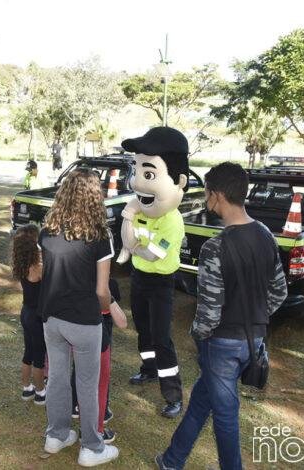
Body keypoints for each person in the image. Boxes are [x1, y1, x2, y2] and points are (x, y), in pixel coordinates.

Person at [156, 162, 287, 470]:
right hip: (254, 341)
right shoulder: (266, 235)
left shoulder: (215, 247)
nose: (206, 199)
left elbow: (209, 312)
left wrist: (199, 336)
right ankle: (172, 460)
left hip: (222, 346)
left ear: (216, 195)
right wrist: (253, 318)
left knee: (225, 417)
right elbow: (279, 292)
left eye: (206, 193)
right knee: (202, 402)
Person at [38, 168, 119, 467]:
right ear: (95, 195)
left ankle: (56, 435)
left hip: (52, 318)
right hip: (84, 320)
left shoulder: (46, 231)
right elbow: (102, 291)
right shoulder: (100, 235)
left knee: (58, 378)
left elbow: (43, 273)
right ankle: (91, 448)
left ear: (64, 192)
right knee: (87, 383)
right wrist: (110, 308)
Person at [117, 127, 190, 419]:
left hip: (161, 283)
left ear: (179, 181)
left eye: (148, 174)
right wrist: (128, 216)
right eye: (137, 172)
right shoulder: (140, 210)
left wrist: (132, 246)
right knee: (143, 330)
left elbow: (150, 253)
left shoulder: (172, 220)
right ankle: (148, 368)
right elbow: (127, 241)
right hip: (139, 279)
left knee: (161, 338)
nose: (137, 182)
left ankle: (173, 394)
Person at [71, 278, 127, 444]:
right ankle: (96, 432)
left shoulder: (74, 280)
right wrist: (109, 297)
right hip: (98, 339)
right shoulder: (106, 286)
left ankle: (81, 417)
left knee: (84, 382)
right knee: (99, 388)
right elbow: (122, 322)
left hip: (78, 335)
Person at [11, 224, 47, 405]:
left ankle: (27, 388)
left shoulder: (21, 263)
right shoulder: (38, 267)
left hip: (25, 312)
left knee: (28, 352)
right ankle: (41, 392)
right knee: (39, 356)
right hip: (37, 317)